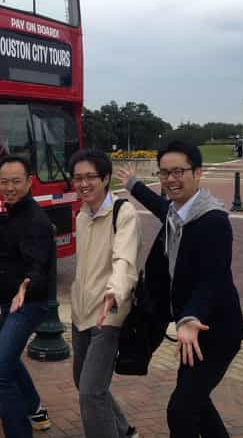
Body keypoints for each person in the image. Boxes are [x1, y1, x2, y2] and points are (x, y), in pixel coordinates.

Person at [116, 141, 243, 438]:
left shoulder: (213, 221)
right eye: (164, 173)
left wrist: (189, 317)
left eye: (178, 171)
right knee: (197, 404)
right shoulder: (177, 214)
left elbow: (213, 278)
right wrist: (134, 185)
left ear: (198, 173)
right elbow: (159, 205)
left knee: (181, 410)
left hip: (217, 334)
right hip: (192, 335)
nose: (170, 179)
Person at [69, 149, 141, 438]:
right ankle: (124, 431)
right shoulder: (81, 217)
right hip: (81, 312)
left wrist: (115, 292)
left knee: (90, 392)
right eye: (77, 178)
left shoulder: (124, 213)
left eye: (90, 177)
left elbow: (125, 259)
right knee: (83, 381)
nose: (83, 184)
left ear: (106, 178)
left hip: (108, 314)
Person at [0, 155, 54, 437]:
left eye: (16, 181)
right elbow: (13, 244)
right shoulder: (13, 212)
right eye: (4, 182)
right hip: (10, 302)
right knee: (1, 355)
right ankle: (34, 408)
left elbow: (38, 264)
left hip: (27, 304)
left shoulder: (36, 220)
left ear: (29, 182)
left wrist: (26, 285)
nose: (9, 187)